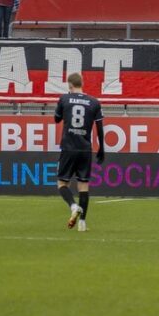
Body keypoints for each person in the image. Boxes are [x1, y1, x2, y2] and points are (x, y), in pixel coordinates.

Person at [54, 71, 105, 234]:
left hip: (69, 146)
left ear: (69, 85)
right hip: (85, 148)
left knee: (62, 184)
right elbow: (100, 126)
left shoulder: (64, 99)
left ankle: (73, 206)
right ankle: (82, 224)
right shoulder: (94, 102)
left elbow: (56, 118)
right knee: (83, 185)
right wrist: (102, 147)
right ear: (82, 83)